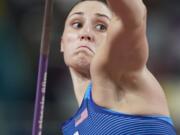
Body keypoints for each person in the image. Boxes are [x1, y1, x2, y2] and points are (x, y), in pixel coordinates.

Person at [60, 0, 176, 134]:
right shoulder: (70, 128)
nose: (85, 34)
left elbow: (134, 16)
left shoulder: (122, 75)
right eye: (77, 24)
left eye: (101, 27)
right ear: (62, 42)